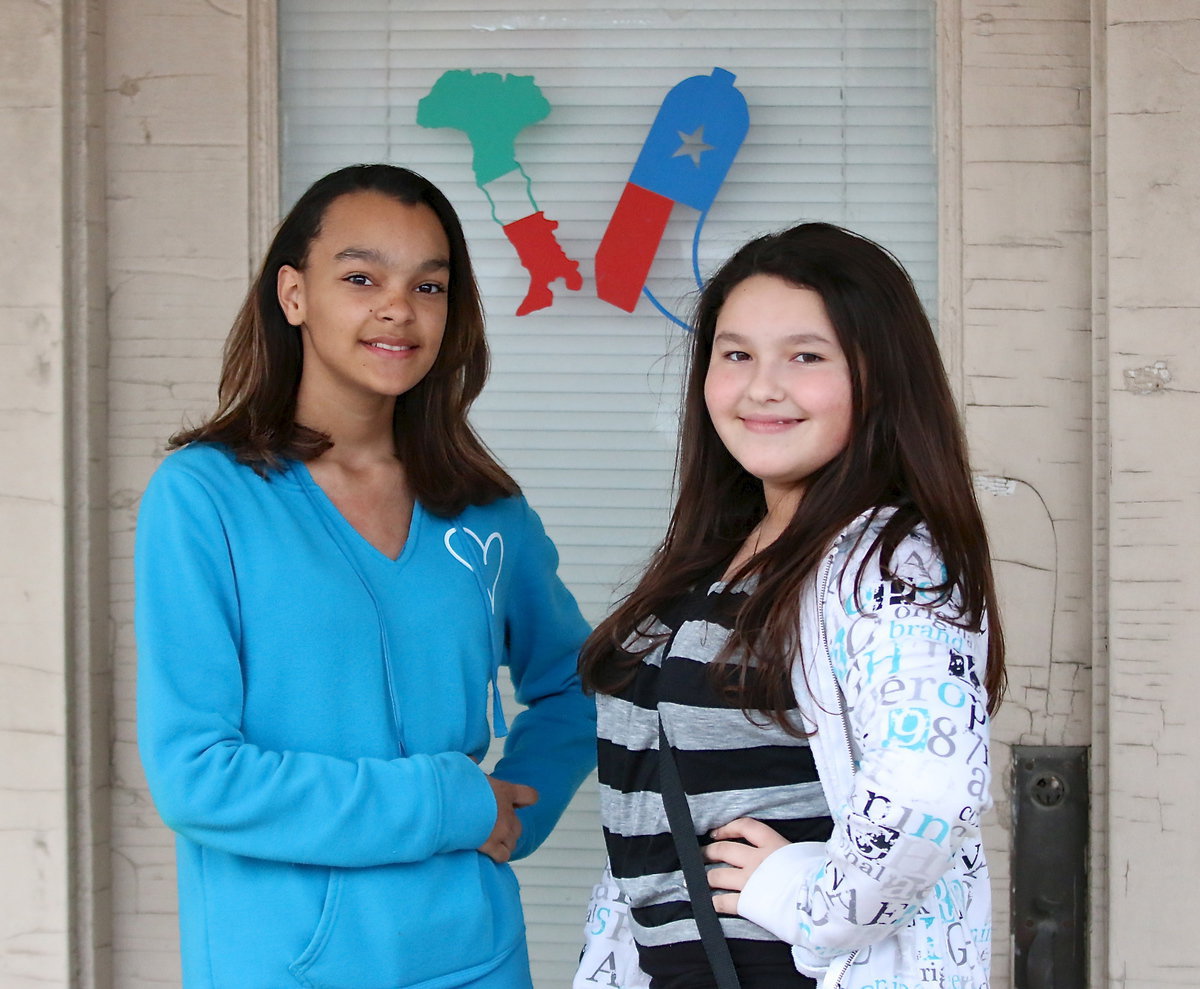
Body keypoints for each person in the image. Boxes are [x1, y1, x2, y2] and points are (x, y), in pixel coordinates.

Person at [135, 163, 597, 989]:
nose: (399, 308)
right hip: (282, 965)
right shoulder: (204, 496)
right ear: (294, 294)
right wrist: (452, 803)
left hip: (478, 959)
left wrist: (516, 808)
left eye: (430, 284)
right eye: (361, 277)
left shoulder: (485, 509)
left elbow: (576, 682)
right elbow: (196, 776)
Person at [577, 223, 1005, 989]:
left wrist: (814, 903)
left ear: (880, 378)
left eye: (805, 356)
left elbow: (930, 785)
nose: (761, 387)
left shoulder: (885, 555)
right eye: (736, 354)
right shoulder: (718, 552)